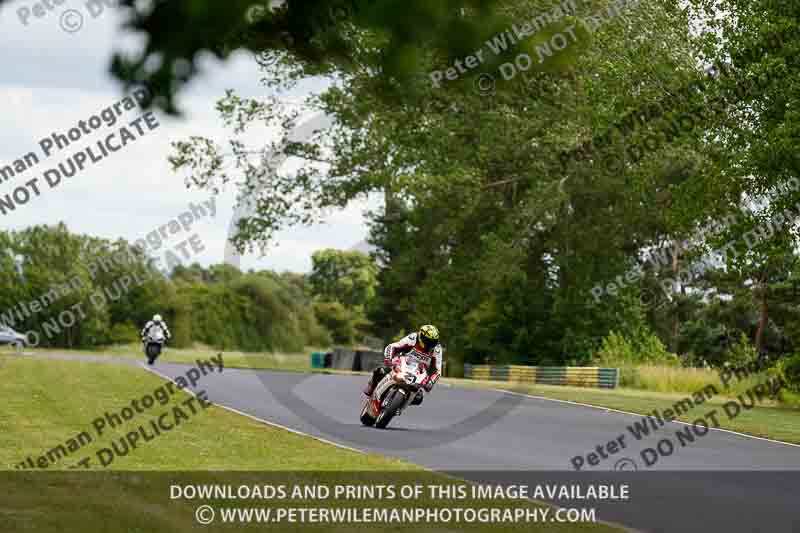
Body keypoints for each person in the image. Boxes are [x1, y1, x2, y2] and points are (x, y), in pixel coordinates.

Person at [363, 325, 443, 406]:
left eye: (433, 341)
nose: (430, 343)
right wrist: (388, 359)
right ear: (421, 336)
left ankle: (399, 404)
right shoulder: (413, 338)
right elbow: (393, 346)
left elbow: (438, 370)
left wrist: (430, 382)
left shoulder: (437, 349)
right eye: (428, 340)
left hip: (419, 372)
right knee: (381, 371)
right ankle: (371, 388)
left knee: (419, 398)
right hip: (402, 362)